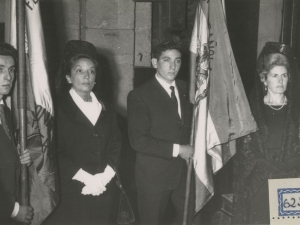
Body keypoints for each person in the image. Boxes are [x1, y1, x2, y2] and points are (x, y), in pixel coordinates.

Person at [47, 40, 122, 225]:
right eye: (79, 71)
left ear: (96, 78)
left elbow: (116, 143)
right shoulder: (57, 109)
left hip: (104, 190)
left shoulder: (108, 108)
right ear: (68, 77)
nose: (86, 76)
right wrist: (87, 179)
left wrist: (104, 177)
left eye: (91, 71)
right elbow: (55, 150)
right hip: (71, 192)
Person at [232, 42, 300, 225]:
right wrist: (267, 169)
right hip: (259, 182)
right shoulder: (252, 110)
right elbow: (246, 150)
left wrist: (287, 167)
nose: (280, 81)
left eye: (284, 75)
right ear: (264, 79)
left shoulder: (296, 111)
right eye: (275, 75)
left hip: (291, 180)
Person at [127, 41, 195, 225]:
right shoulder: (140, 95)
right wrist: (179, 149)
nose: (173, 66)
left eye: (178, 61)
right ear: (155, 63)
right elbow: (139, 141)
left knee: (191, 218)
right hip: (153, 178)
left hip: (184, 173)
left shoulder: (186, 89)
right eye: (167, 60)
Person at [0, 42, 34, 224]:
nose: (8, 77)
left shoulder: (5, 111)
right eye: (0, 70)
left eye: (12, 70)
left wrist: (18, 157)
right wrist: (12, 210)